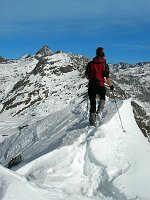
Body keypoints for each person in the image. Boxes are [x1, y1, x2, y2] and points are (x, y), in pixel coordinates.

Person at [85, 47, 114, 125]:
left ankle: (92, 122)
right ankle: (99, 111)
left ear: (96, 54)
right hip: (100, 85)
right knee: (102, 98)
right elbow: (107, 77)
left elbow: (87, 76)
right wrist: (110, 85)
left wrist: (91, 77)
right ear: (103, 55)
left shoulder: (90, 64)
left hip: (91, 85)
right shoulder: (104, 64)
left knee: (92, 103)